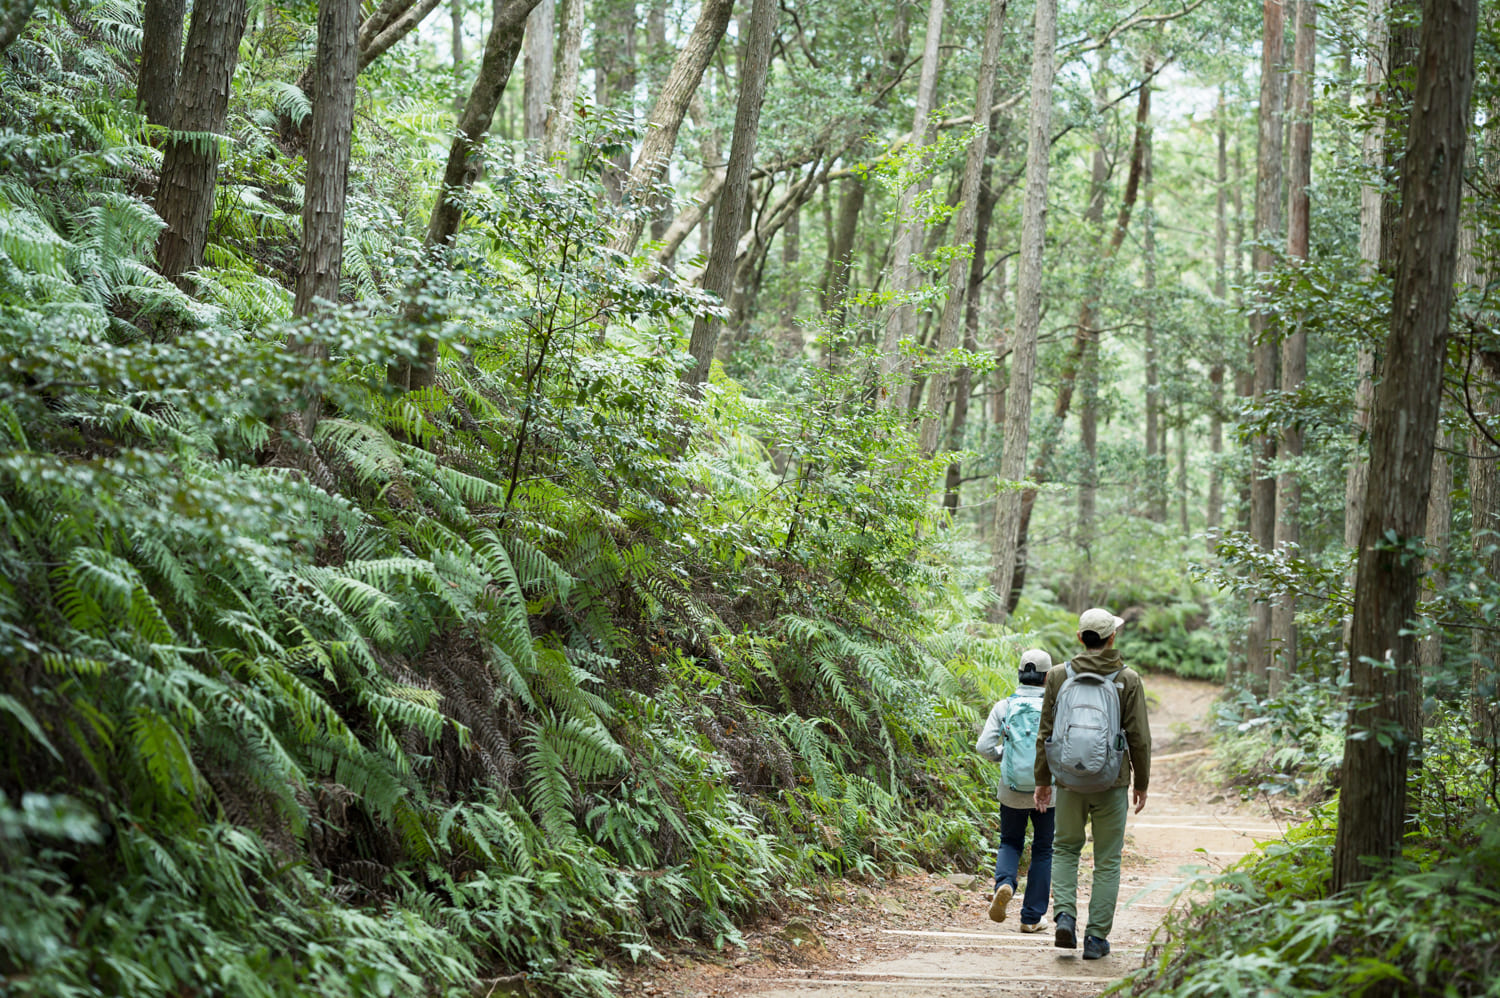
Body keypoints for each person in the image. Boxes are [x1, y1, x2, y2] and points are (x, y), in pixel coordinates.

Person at [1032, 608, 1151, 961]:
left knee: (1066, 849)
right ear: (1112, 638)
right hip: (1112, 781)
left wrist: (1043, 780)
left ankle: (1065, 916)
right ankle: (1096, 938)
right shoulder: (1127, 679)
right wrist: (1141, 782)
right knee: (1107, 860)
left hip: (1068, 781)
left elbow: (1046, 734)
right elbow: (1139, 738)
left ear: (1081, 638)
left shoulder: (1056, 675)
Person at [975, 648, 1054, 932]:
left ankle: (1005, 883)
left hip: (1011, 789)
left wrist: (1004, 755)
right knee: (1044, 849)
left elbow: (983, 747)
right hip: (1048, 791)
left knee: (1010, 842)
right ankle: (1032, 918)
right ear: (1047, 677)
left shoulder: (1004, 706)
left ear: (1020, 673)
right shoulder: (1054, 707)